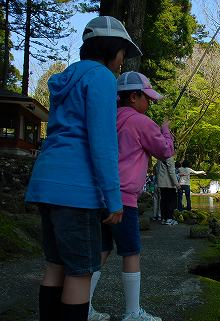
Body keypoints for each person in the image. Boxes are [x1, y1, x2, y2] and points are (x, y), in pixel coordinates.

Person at [24, 16, 140, 321]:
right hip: (76, 191)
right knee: (81, 271)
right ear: (113, 50)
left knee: (55, 266)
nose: (122, 61)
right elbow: (102, 144)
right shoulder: (102, 78)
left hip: (46, 183)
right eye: (123, 54)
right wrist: (113, 200)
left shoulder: (66, 78)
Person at [89, 71, 174, 321]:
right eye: (147, 98)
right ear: (134, 96)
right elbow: (165, 151)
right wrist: (166, 130)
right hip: (124, 199)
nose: (150, 103)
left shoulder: (107, 118)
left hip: (99, 197)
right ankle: (132, 312)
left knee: (102, 250)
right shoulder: (141, 122)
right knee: (131, 253)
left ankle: (83, 306)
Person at [155, 156, 180, 225]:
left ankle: (163, 218)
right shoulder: (170, 158)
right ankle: (169, 218)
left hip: (161, 183)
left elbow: (157, 170)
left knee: (163, 201)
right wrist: (177, 184)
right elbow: (172, 172)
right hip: (169, 184)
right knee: (171, 201)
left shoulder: (159, 158)